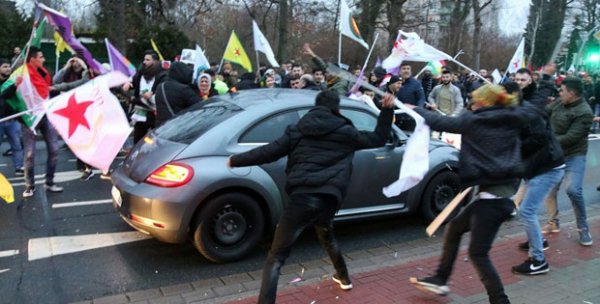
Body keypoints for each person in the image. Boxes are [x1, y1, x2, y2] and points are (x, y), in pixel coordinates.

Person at [228, 91, 395, 304]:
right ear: (337, 110)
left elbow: (269, 152)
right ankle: (343, 277)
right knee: (325, 232)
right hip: (328, 199)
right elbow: (379, 138)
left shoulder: (297, 130)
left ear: (314, 108)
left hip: (302, 198)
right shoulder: (346, 132)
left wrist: (236, 160)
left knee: (276, 257)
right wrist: (387, 110)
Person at [409, 84, 528, 304]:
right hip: (499, 194)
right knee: (454, 228)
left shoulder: (475, 121)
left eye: (476, 99)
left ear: (484, 102)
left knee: (478, 253)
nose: (472, 102)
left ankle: (500, 301)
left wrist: (414, 109)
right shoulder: (511, 118)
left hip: (493, 201)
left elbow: (439, 122)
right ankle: (440, 278)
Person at [543, 77, 593, 246]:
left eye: (562, 90)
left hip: (574, 155)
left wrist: (546, 140)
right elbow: (545, 112)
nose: (559, 92)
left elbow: (571, 137)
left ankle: (583, 228)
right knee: (549, 189)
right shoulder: (559, 102)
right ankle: (553, 222)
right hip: (555, 155)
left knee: (573, 190)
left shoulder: (585, 112)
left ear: (571, 93)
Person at [18, 47, 63, 197]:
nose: (43, 59)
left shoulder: (44, 72)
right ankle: (29, 186)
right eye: (41, 56)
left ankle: (49, 182)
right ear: (32, 59)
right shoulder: (22, 74)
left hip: (45, 115)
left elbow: (47, 89)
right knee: (29, 154)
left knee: (54, 150)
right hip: (30, 118)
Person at [52, 55, 95, 181]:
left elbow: (81, 84)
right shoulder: (68, 72)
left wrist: (59, 88)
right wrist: (65, 67)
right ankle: (84, 165)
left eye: (77, 61)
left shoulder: (87, 73)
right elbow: (55, 80)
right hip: (72, 109)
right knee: (77, 139)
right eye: (72, 61)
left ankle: (89, 166)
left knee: (85, 138)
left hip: (85, 110)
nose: (74, 64)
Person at [124, 50, 167, 144]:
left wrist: (152, 92)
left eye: (147, 60)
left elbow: (163, 86)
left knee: (156, 140)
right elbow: (134, 83)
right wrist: (129, 84)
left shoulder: (162, 74)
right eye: (144, 59)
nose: (144, 62)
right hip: (141, 110)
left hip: (155, 112)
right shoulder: (140, 73)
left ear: (155, 61)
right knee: (138, 139)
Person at [154, 62, 201, 126]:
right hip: (177, 127)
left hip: (161, 127)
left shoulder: (160, 86)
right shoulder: (183, 89)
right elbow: (199, 106)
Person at [0, 58, 24, 176]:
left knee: (17, 145)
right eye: (5, 66)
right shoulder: (9, 84)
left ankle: (19, 167)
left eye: (9, 66)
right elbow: (5, 94)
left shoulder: (12, 80)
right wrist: (14, 86)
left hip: (12, 119)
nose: (8, 68)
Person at [395, 62, 425, 131]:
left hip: (410, 118)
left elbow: (421, 98)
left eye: (408, 69)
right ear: (399, 71)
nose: (406, 70)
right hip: (396, 118)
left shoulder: (416, 83)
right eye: (404, 69)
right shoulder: (394, 82)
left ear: (410, 71)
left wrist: (418, 109)